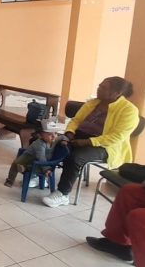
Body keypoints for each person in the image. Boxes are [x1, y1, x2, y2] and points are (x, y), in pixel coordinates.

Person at [43, 76, 139, 208]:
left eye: (104, 88)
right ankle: (41, 175)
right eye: (99, 85)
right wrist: (70, 133)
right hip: (80, 137)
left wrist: (86, 142)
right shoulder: (93, 103)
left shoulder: (129, 110)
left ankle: (63, 194)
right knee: (51, 144)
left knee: (75, 157)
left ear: (116, 93)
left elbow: (117, 137)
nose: (98, 89)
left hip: (106, 146)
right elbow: (76, 120)